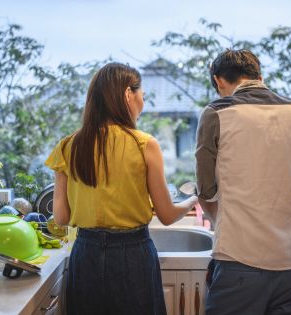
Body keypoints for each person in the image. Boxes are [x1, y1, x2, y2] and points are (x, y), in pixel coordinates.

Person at [45, 62, 198, 315]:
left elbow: (61, 218)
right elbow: (168, 215)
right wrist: (192, 201)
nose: (143, 103)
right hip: (133, 257)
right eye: (143, 96)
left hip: (85, 256)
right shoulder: (145, 144)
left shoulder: (68, 146)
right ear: (129, 94)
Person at [195, 49, 291, 315]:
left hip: (239, 259)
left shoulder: (216, 112)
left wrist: (218, 222)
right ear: (259, 76)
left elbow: (206, 190)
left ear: (219, 81)